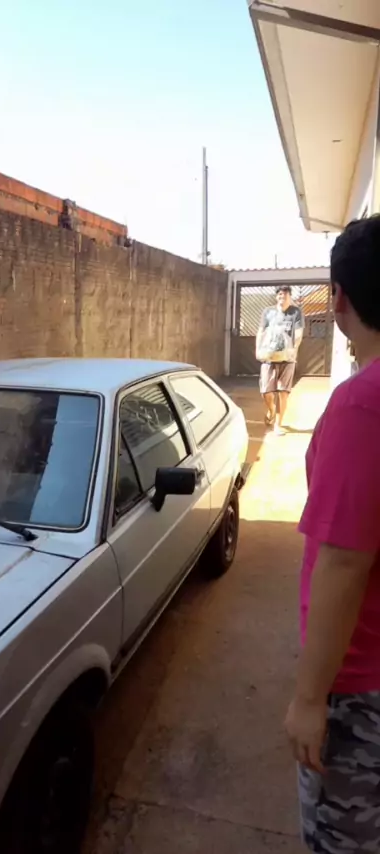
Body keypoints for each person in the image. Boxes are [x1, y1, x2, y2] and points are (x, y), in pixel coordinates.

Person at [284, 214, 380, 853]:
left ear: (339, 298)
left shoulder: (361, 403)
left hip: (361, 683)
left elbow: (344, 562)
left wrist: (309, 698)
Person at [256, 285, 304, 435]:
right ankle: (271, 409)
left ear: (290, 296)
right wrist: (258, 349)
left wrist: (293, 350)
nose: (282, 297)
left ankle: (278, 424)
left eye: (285, 295)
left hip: (287, 359)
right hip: (269, 357)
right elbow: (261, 331)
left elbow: (298, 333)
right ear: (276, 297)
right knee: (266, 392)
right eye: (280, 295)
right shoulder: (268, 312)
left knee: (283, 392)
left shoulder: (295, 312)